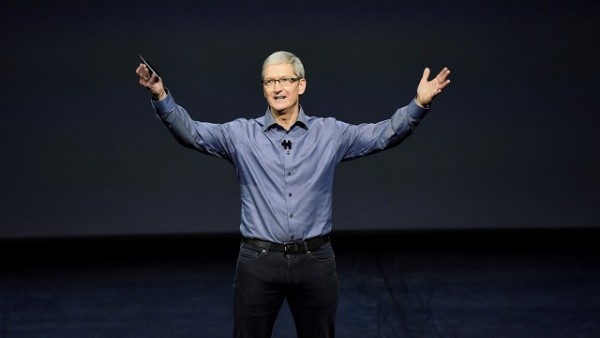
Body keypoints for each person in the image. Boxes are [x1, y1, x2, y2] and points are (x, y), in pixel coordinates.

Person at [136, 51, 450, 338]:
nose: (277, 88)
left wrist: (418, 105)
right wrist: (161, 95)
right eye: (270, 81)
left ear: (301, 85)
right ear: (263, 89)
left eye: (285, 79)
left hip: (316, 262)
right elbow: (191, 133)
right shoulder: (240, 135)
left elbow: (382, 135)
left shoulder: (329, 133)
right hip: (258, 262)